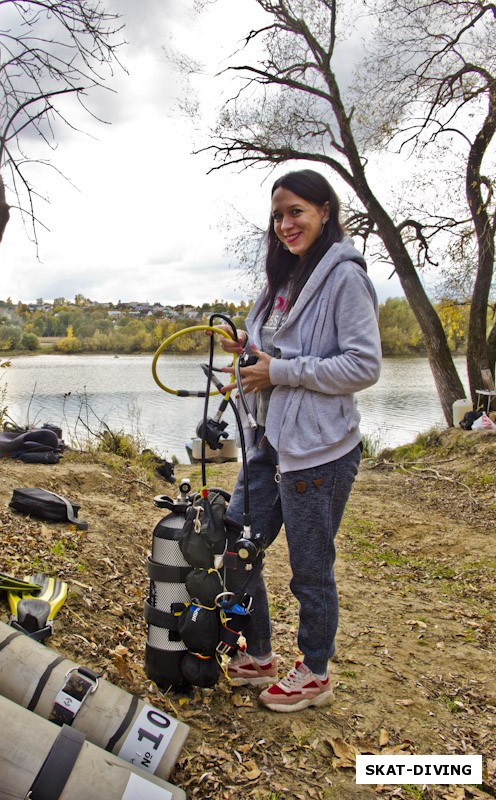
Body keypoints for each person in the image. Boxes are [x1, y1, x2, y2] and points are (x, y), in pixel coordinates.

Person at [217, 169, 381, 713]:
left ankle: (314, 670)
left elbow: (363, 365)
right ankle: (258, 651)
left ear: (325, 211)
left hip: (319, 448)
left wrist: (279, 372)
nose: (286, 224)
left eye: (296, 212)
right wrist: (247, 349)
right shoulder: (282, 279)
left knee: (310, 567)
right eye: (278, 215)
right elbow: (270, 352)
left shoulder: (344, 278)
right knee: (236, 548)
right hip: (268, 441)